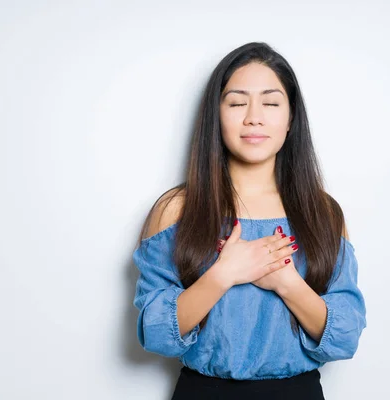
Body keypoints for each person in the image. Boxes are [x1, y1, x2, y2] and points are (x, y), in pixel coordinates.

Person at [132, 42, 367, 399]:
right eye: (237, 102)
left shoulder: (323, 213)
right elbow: (156, 333)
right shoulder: (177, 209)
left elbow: (345, 338)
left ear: (291, 120)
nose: (253, 117)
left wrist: (286, 282)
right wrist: (224, 274)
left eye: (271, 103)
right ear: (216, 117)